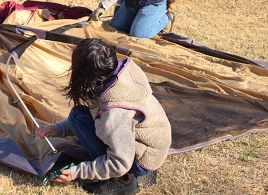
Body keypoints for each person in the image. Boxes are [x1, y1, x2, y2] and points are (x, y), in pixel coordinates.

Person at [37, 38, 171, 195]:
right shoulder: (116, 75)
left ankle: (123, 182)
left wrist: (78, 172)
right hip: (148, 145)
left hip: (141, 160)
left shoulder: (114, 113)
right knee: (78, 116)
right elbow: (90, 113)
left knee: (79, 119)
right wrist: (58, 129)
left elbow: (120, 161)